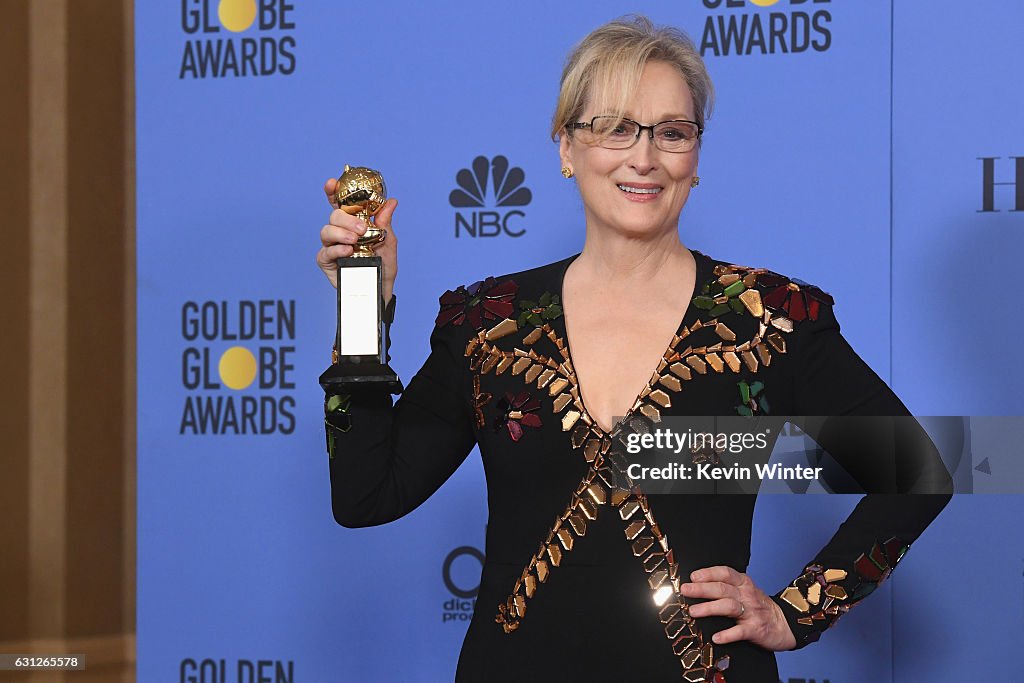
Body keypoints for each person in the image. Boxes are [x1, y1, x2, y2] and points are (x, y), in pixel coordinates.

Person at [315, 15, 952, 683]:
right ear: (565, 147)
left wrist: (798, 611)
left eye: (671, 132)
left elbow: (917, 472)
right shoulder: (489, 323)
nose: (643, 157)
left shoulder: (766, 320)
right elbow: (367, 495)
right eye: (614, 128)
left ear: (695, 156)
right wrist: (363, 302)